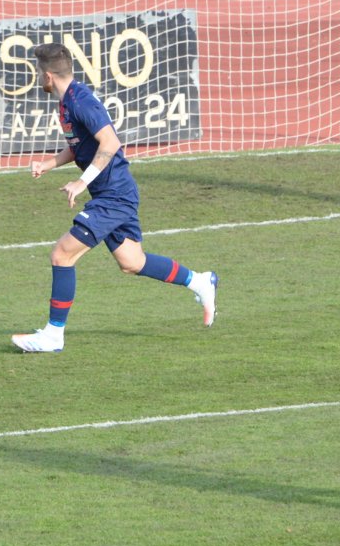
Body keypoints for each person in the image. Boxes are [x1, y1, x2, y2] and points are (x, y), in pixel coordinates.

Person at [11, 43, 216, 353]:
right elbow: (80, 146)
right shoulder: (66, 102)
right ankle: (199, 281)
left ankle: (53, 335)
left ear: (49, 75)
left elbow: (110, 142)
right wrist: (49, 164)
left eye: (39, 73)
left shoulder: (82, 102)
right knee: (132, 262)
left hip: (114, 196)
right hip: (113, 193)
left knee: (62, 254)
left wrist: (81, 181)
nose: (38, 78)